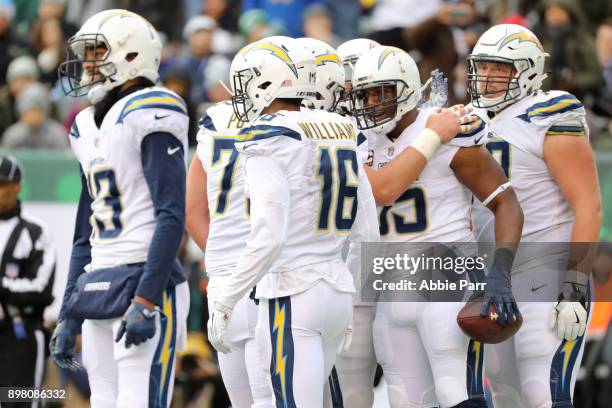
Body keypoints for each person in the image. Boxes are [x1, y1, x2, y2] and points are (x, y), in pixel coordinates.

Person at [206, 35, 379, 407]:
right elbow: (368, 229)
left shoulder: (268, 135)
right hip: (335, 290)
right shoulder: (342, 128)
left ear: (267, 83)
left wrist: (226, 299)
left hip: (290, 292)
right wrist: (351, 293)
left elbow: (269, 236)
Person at [350, 45, 524, 408]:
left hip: (448, 279)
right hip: (391, 286)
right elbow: (382, 191)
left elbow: (506, 203)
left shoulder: (451, 132)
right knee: (406, 401)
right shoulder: (362, 144)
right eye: (364, 95)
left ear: (408, 90)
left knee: (458, 396)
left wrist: (500, 272)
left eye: (380, 93)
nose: (370, 104)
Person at [49, 9, 190, 407]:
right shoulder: (88, 126)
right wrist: (68, 312)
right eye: (87, 53)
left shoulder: (149, 110)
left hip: (147, 281)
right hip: (100, 280)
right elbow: (84, 234)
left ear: (132, 56)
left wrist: (146, 299)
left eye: (97, 52)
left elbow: (171, 215)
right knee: (104, 400)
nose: (87, 63)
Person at [468, 23, 602, 408]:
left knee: (543, 395)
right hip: (495, 277)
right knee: (507, 397)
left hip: (547, 270)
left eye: (500, 68)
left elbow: (588, 205)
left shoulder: (550, 114)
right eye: (484, 67)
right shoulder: (470, 118)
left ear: (527, 71)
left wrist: (575, 282)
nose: (489, 78)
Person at [185, 42, 274, 407]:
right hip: (276, 279)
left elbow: (193, 212)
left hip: (224, 284)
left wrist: (224, 262)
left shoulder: (215, 120)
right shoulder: (296, 124)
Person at [0, 155, 56, 407]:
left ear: (17, 186)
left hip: (19, 334)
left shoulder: (35, 231)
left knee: (19, 402)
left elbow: (41, 288)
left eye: (1, 184)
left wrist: (2, 288)